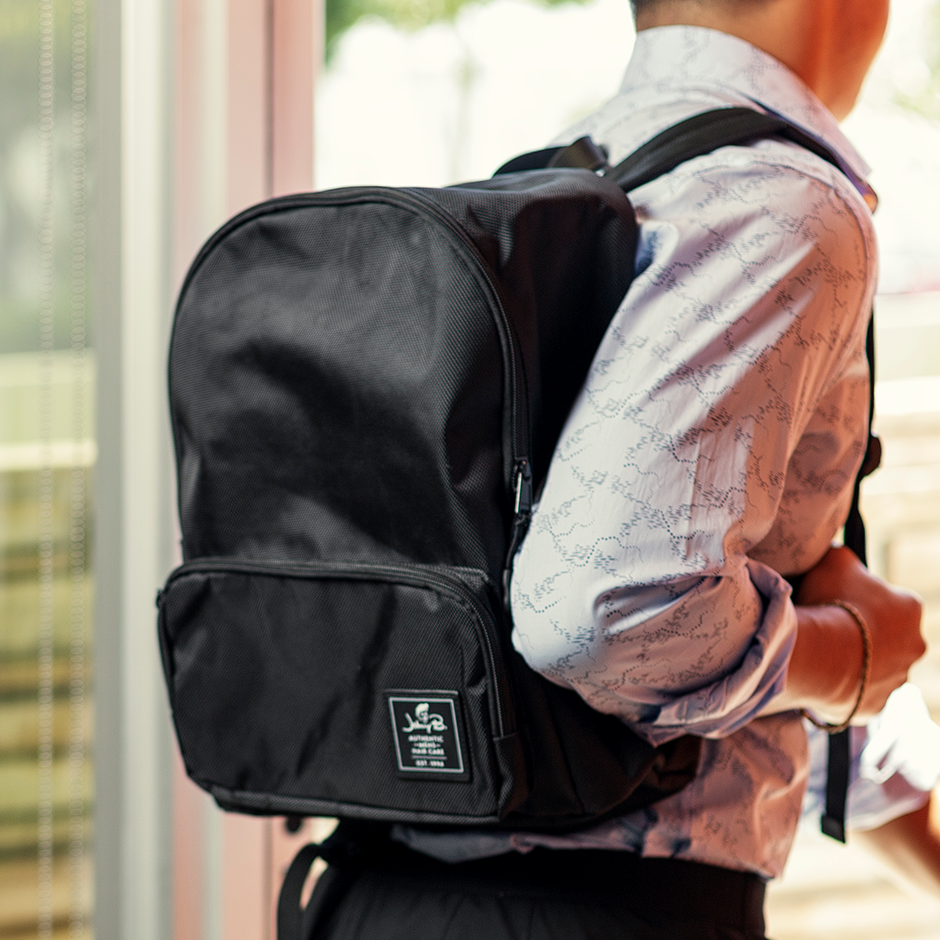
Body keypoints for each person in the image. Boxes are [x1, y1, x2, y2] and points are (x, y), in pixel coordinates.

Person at [307, 1, 940, 937]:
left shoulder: (556, 178)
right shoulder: (782, 202)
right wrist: (841, 658)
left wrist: (825, 656)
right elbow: (606, 616)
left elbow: (676, 641)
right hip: (601, 913)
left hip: (374, 892)